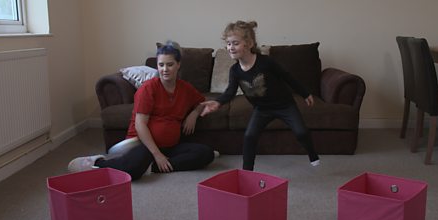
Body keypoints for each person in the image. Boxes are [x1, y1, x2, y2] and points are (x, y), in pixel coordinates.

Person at [68, 41, 217, 180]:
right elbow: (140, 125)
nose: (165, 69)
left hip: (171, 146)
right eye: (161, 65)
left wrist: (194, 114)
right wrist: (157, 154)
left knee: (206, 153)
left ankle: (153, 167)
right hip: (143, 145)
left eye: (170, 64)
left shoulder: (185, 88)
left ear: (178, 65)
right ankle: (98, 163)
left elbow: (202, 102)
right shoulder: (148, 88)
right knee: (133, 168)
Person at [201, 20, 320, 171]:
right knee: (249, 136)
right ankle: (247, 171)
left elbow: (287, 76)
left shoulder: (266, 62)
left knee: (301, 132)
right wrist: (217, 103)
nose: (231, 47)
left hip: (285, 105)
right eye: (229, 44)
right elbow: (230, 92)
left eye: (235, 43)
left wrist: (305, 93)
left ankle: (312, 154)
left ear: (249, 44)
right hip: (262, 109)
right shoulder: (235, 71)